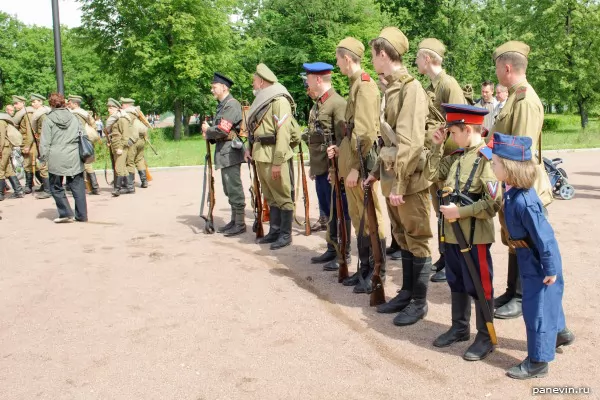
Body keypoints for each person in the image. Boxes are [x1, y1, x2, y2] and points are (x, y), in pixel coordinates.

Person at [490, 132, 574, 379]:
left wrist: (549, 268)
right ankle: (559, 333)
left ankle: (538, 362)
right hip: (530, 256)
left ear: (509, 168)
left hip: (539, 259)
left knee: (536, 309)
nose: (492, 166)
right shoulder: (514, 192)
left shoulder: (524, 201)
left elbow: (544, 237)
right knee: (546, 302)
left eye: (495, 163)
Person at [365, 27, 432, 325]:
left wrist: (401, 183)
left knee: (417, 238)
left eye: (373, 55)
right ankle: (406, 292)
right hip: (393, 177)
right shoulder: (389, 87)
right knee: (402, 237)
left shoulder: (410, 88)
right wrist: (378, 174)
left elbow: (410, 140)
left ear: (383, 54)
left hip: (408, 180)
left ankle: (419, 302)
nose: (372, 61)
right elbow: (385, 141)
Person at [425, 104, 501, 361]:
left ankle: (485, 336)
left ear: (467, 128)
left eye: (453, 132)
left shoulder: (487, 158)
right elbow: (431, 174)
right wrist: (436, 146)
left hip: (474, 235)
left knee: (480, 285)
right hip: (451, 233)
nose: (451, 137)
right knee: (455, 281)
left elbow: (493, 204)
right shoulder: (457, 155)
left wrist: (461, 213)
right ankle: (459, 327)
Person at [491, 41, 554, 320]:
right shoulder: (515, 97)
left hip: (522, 185)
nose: (495, 72)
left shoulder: (525, 100)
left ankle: (521, 296)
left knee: (525, 240)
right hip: (511, 183)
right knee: (513, 238)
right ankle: (511, 291)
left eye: (496, 66)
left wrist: (511, 187)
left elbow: (522, 152)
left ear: (506, 67)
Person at [329, 36, 385, 294]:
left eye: (338, 58)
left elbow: (364, 133)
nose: (337, 63)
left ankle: (375, 271)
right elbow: (350, 132)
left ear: (347, 59)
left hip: (360, 164)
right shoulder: (355, 85)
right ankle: (364, 268)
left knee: (370, 219)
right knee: (358, 218)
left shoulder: (364, 86)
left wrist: (355, 169)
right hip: (352, 161)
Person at [415, 37, 468, 283]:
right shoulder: (431, 87)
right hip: (436, 158)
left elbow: (461, 122)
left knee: (449, 210)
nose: (416, 61)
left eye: (418, 57)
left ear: (427, 58)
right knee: (440, 211)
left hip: (449, 159)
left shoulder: (448, 84)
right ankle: (445, 256)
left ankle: (454, 262)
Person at [244, 63, 299, 250]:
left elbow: (283, 133)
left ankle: (286, 234)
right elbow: (253, 129)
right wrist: (249, 149)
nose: (253, 84)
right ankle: (275, 231)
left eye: (254, 80)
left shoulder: (279, 101)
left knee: (283, 195)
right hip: (261, 153)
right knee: (270, 196)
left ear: (261, 81)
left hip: (275, 154)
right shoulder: (261, 100)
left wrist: (278, 162)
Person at [302, 62, 351, 271]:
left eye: (310, 78)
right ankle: (331, 248)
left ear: (319, 79)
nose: (308, 81)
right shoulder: (318, 104)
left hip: (334, 169)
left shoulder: (337, 103)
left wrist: (336, 169)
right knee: (327, 209)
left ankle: (344, 251)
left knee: (340, 211)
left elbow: (344, 140)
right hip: (321, 167)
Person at [202, 72, 246, 237]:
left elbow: (222, 129)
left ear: (224, 87)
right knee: (229, 189)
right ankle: (235, 220)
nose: (212, 90)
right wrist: (210, 133)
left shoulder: (231, 105)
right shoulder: (223, 105)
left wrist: (208, 131)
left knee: (234, 188)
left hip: (230, 153)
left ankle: (240, 223)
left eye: (214, 87)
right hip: (224, 151)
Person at [39, 93, 87, 223]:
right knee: (78, 186)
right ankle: (82, 215)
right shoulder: (74, 117)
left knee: (56, 186)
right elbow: (83, 134)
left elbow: (45, 141)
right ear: (64, 103)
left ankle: (65, 213)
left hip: (56, 155)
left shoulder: (48, 119)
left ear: (51, 104)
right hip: (74, 154)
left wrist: (43, 159)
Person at [67, 95, 101, 195]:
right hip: (87, 140)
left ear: (75, 103)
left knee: (86, 164)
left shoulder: (76, 114)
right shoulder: (85, 113)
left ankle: (94, 187)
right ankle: (92, 187)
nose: (69, 105)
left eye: (70, 103)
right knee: (86, 163)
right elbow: (93, 125)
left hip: (80, 141)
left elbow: (76, 128)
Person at [120, 98, 147, 190]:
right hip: (141, 140)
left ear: (127, 105)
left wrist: (128, 142)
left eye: (122, 104)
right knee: (140, 160)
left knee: (129, 162)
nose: (121, 106)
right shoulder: (137, 113)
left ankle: (130, 183)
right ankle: (144, 181)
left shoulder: (127, 114)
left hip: (133, 140)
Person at [0, 112, 25, 200]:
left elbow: (1, 137)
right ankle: (19, 191)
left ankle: (1, 194)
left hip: (3, 148)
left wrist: (0, 149)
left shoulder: (1, 121)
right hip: (5, 147)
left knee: (0, 170)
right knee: (8, 169)